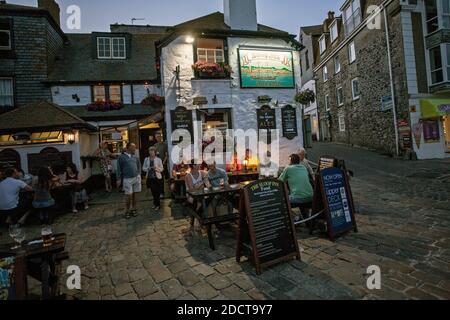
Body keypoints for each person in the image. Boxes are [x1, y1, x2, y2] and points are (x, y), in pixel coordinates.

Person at [117, 143, 142, 219]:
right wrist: (118, 179)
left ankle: (134, 209)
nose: (135, 149)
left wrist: (139, 175)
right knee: (128, 196)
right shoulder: (121, 157)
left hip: (136, 178)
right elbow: (118, 169)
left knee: (136, 195)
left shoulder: (135, 157)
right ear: (128, 148)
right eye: (133, 147)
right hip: (127, 179)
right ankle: (127, 210)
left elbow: (139, 166)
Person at [182, 161, 208, 234]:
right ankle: (201, 223)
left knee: (206, 201)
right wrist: (202, 184)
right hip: (191, 196)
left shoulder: (202, 173)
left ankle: (194, 221)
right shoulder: (188, 176)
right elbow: (191, 190)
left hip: (200, 194)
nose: (200, 165)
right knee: (200, 203)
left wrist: (199, 186)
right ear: (193, 166)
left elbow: (208, 178)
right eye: (198, 164)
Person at [143, 147, 164, 212]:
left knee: (157, 192)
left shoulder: (158, 159)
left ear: (155, 152)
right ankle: (155, 204)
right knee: (153, 192)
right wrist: (148, 168)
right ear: (149, 152)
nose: (151, 152)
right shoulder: (146, 159)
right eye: (150, 151)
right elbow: (143, 168)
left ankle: (157, 205)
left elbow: (162, 169)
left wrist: (156, 168)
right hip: (150, 178)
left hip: (157, 177)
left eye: (153, 151)